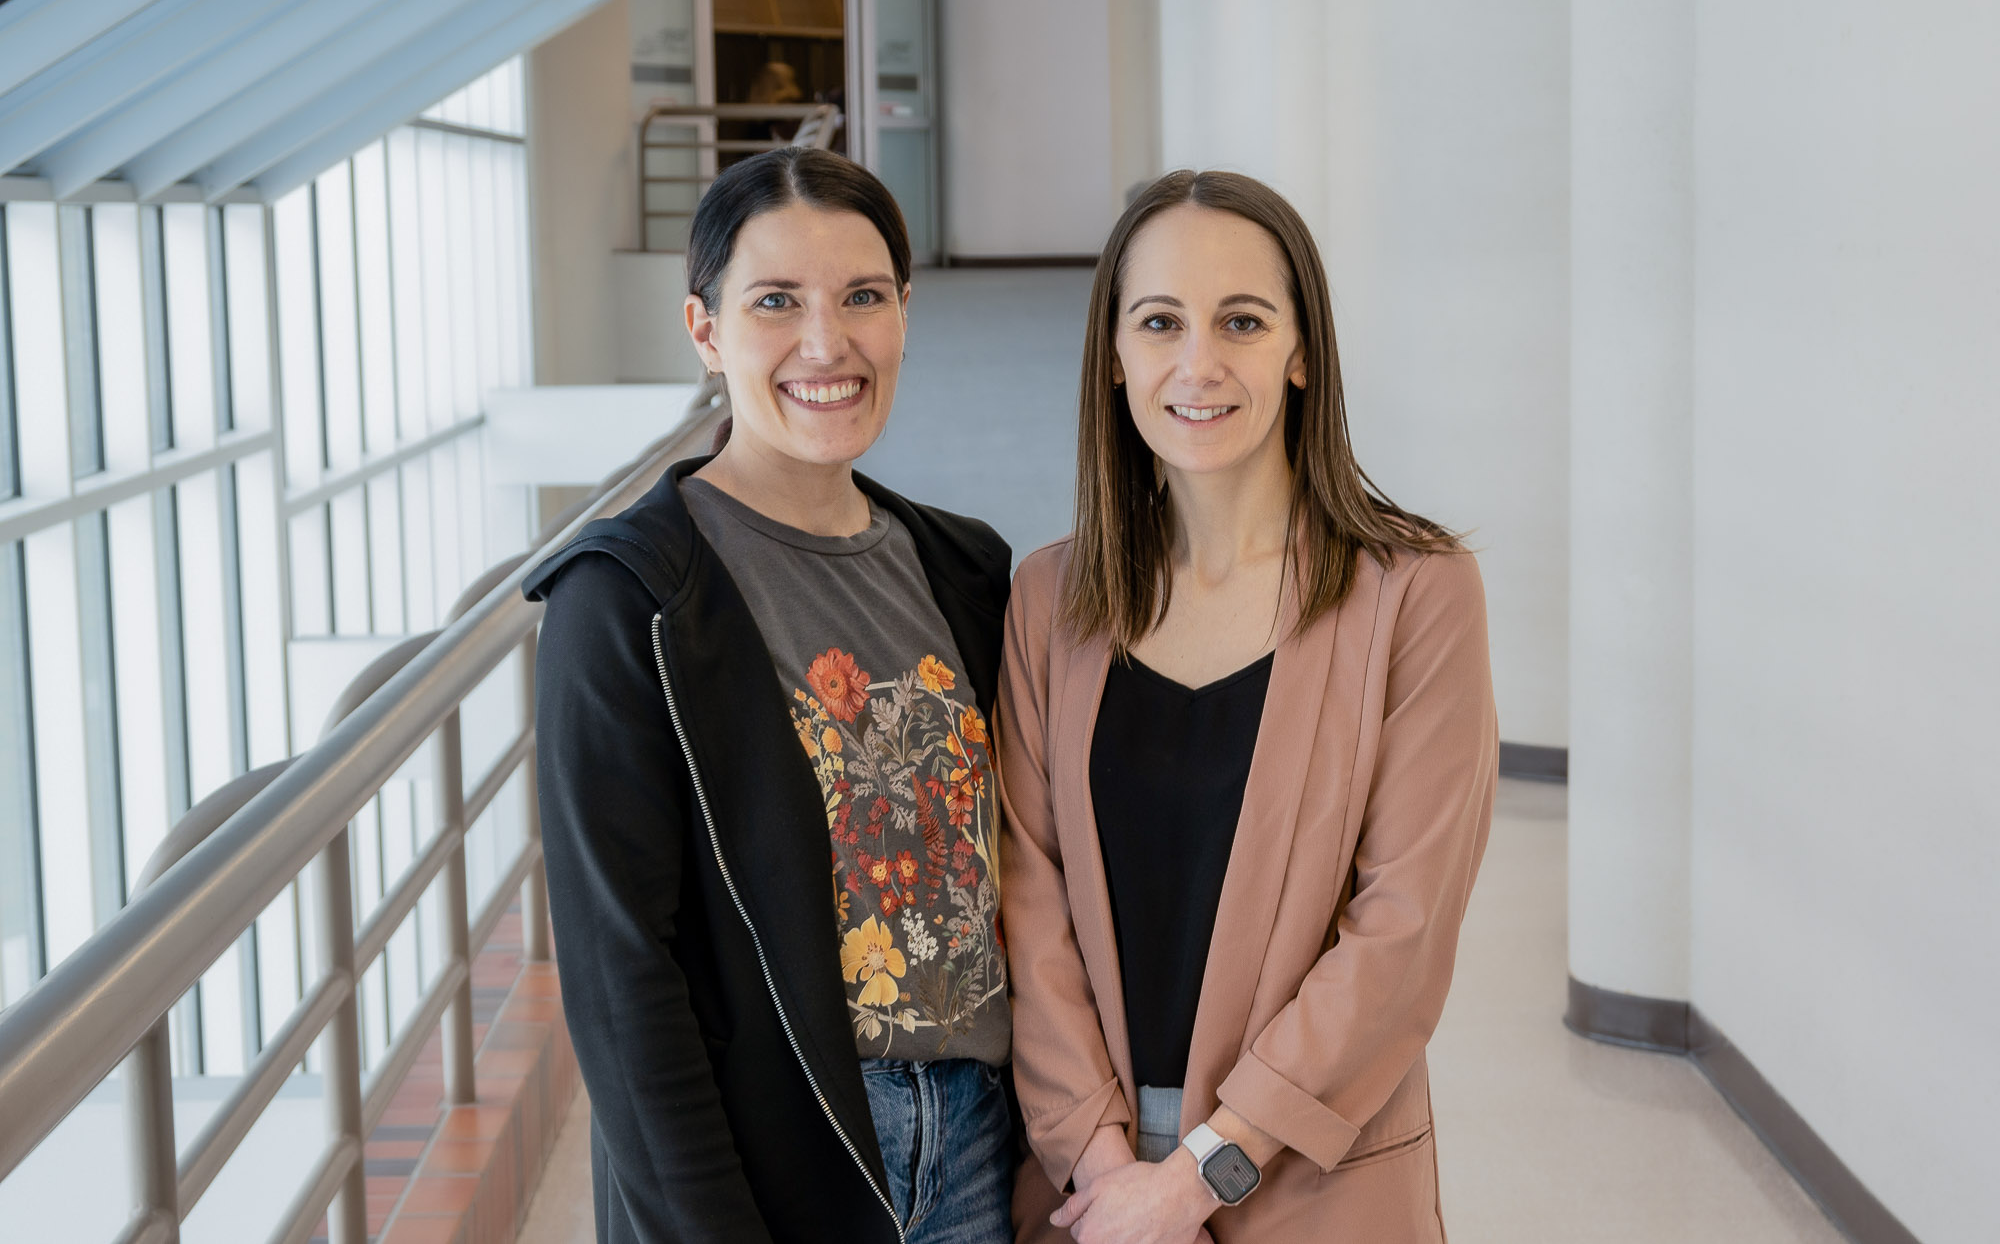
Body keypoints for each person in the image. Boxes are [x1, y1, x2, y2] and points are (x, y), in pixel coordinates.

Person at [525, 147, 1016, 1244]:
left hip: (975, 1140)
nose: (825, 343)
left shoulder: (965, 568)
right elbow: (621, 978)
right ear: (704, 328)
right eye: (775, 302)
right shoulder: (627, 600)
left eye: (861, 297)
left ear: (903, 311)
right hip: (775, 1160)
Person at [998, 170, 1497, 1244]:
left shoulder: (1414, 593)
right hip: (1086, 1183)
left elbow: (1398, 936)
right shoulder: (1048, 601)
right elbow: (1025, 907)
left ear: (1300, 350)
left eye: (1241, 320)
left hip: (1314, 1173)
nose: (1197, 362)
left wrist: (1196, 1176)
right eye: (1159, 321)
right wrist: (1102, 1167)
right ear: (1115, 356)